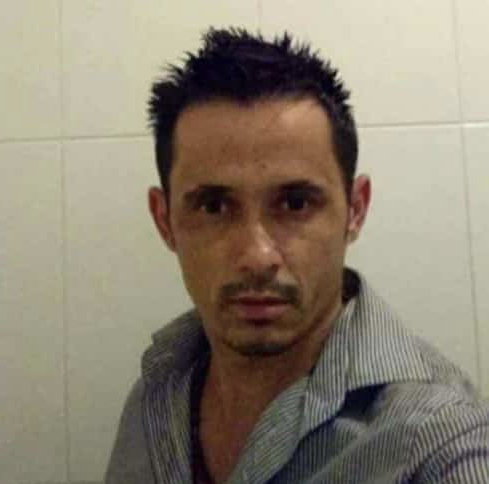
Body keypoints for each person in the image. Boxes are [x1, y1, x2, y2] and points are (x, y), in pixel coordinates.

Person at [105, 27, 489, 484]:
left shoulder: (441, 443)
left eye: (295, 203)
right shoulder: (156, 395)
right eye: (214, 206)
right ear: (164, 219)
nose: (257, 256)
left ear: (356, 209)